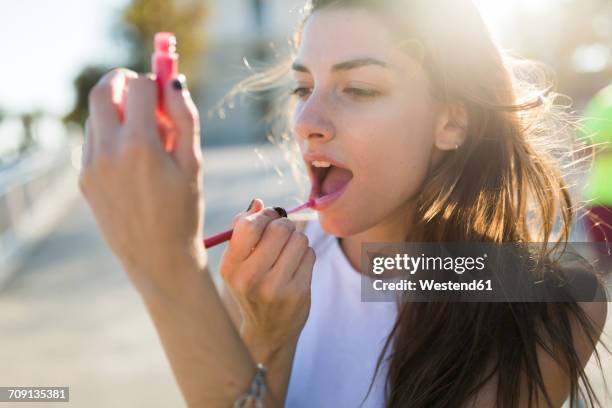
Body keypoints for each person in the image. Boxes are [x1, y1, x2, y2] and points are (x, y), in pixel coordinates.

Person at [79, 0, 609, 407]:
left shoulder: (554, 301)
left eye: (357, 88)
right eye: (302, 87)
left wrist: (170, 275)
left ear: (452, 121)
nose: (308, 121)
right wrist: (266, 341)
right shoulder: (257, 282)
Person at [580, 84, 612, 271]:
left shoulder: (602, 99)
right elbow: (584, 146)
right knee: (605, 269)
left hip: (599, 200)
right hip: (601, 199)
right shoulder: (604, 100)